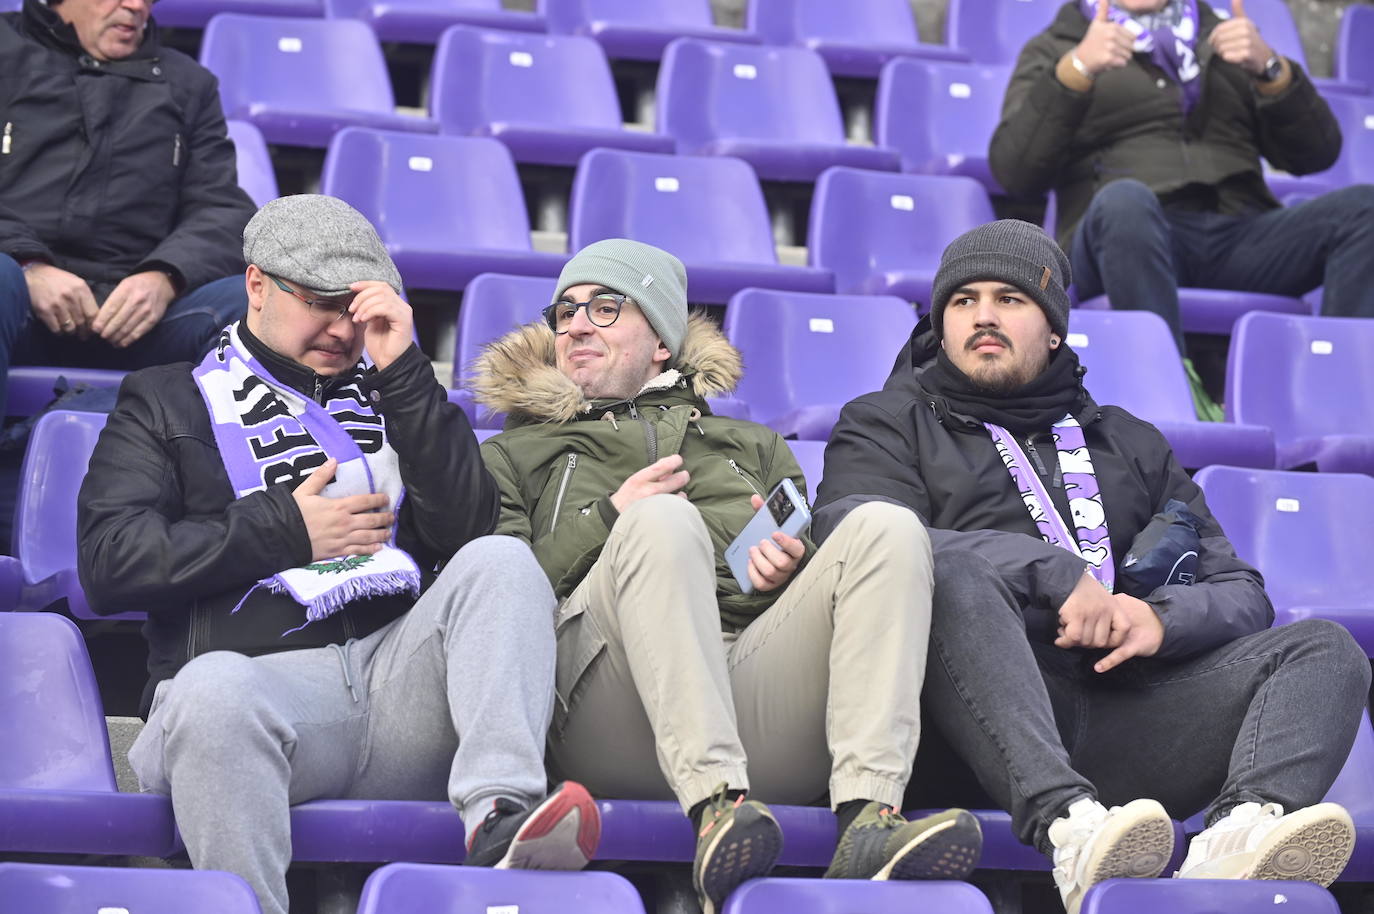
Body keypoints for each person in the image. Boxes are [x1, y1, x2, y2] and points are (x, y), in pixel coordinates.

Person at [814, 220, 1369, 914]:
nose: (983, 315)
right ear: (942, 323)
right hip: (968, 721)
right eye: (963, 301)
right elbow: (850, 531)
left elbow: (1241, 592)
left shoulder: (1129, 440)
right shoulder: (885, 422)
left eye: (1010, 299)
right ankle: (1069, 828)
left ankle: (1237, 836)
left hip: (1123, 708)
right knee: (942, 570)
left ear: (1053, 329)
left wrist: (1157, 621)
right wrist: (1049, 570)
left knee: (1323, 648)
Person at [77, 196, 599, 914]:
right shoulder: (167, 400)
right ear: (257, 285)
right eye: (322, 303)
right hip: (256, 698)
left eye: (357, 308)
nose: (342, 327)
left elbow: (469, 528)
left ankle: (501, 816)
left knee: (503, 564)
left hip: (394, 690)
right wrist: (285, 529)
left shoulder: (392, 395)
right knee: (212, 691)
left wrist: (405, 370)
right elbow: (110, 562)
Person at [471, 239, 982, 914]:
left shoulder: (756, 449)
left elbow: (784, 555)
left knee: (885, 528)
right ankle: (715, 807)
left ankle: (868, 815)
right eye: (564, 311)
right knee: (660, 522)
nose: (575, 326)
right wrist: (610, 517)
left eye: (604, 306)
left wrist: (781, 575)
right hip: (600, 713)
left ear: (662, 342)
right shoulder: (510, 454)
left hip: (750, 696)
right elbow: (499, 595)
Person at [989, 0, 1373, 420]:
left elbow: (1316, 154)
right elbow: (1015, 171)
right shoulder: (1060, 44)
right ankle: (1170, 395)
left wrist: (1271, 70)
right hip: (1123, 235)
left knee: (1363, 210)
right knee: (1126, 201)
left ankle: (1339, 400)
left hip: (1237, 233)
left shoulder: (1227, 35)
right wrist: (1076, 70)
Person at [0, 0, 256, 413]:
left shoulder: (189, 84)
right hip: (16, 300)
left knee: (256, 304)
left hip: (137, 319)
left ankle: (231, 474)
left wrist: (166, 275)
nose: (136, 5)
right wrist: (27, 265)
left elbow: (222, 208)